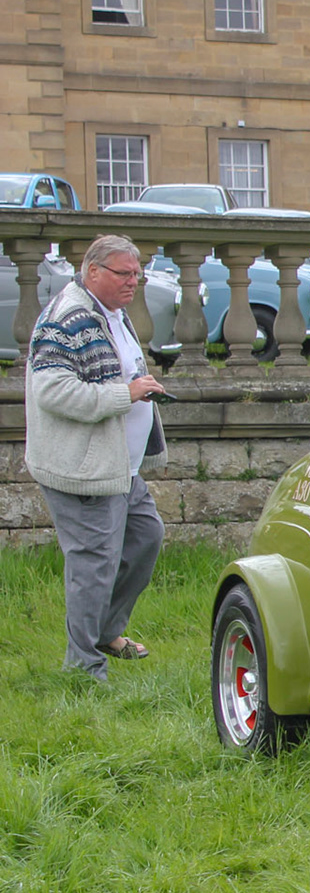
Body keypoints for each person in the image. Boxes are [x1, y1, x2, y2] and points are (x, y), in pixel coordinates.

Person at [26, 234, 170, 683]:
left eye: (137, 273)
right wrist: (125, 394)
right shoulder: (67, 318)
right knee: (93, 565)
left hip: (119, 468)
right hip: (83, 469)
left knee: (144, 538)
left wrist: (138, 382)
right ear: (92, 272)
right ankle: (83, 667)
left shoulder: (112, 312)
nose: (134, 281)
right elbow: (51, 391)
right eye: (124, 273)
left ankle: (106, 632)